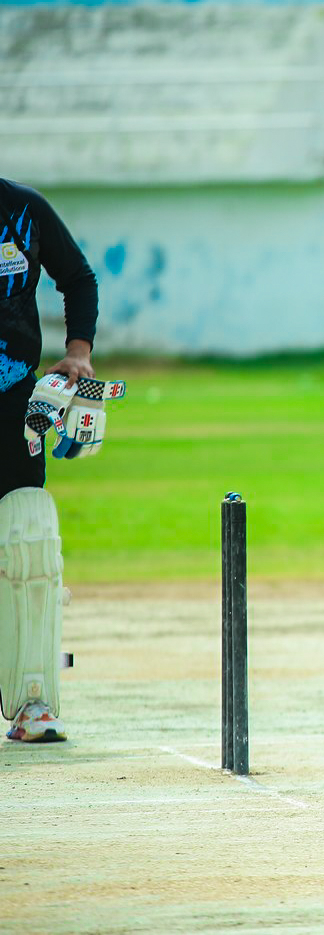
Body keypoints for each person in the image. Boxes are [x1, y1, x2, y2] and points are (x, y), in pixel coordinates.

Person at [1, 177, 99, 744]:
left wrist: (78, 353)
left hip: (15, 405)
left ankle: (32, 700)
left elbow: (78, 277)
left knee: (29, 543)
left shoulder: (24, 210)